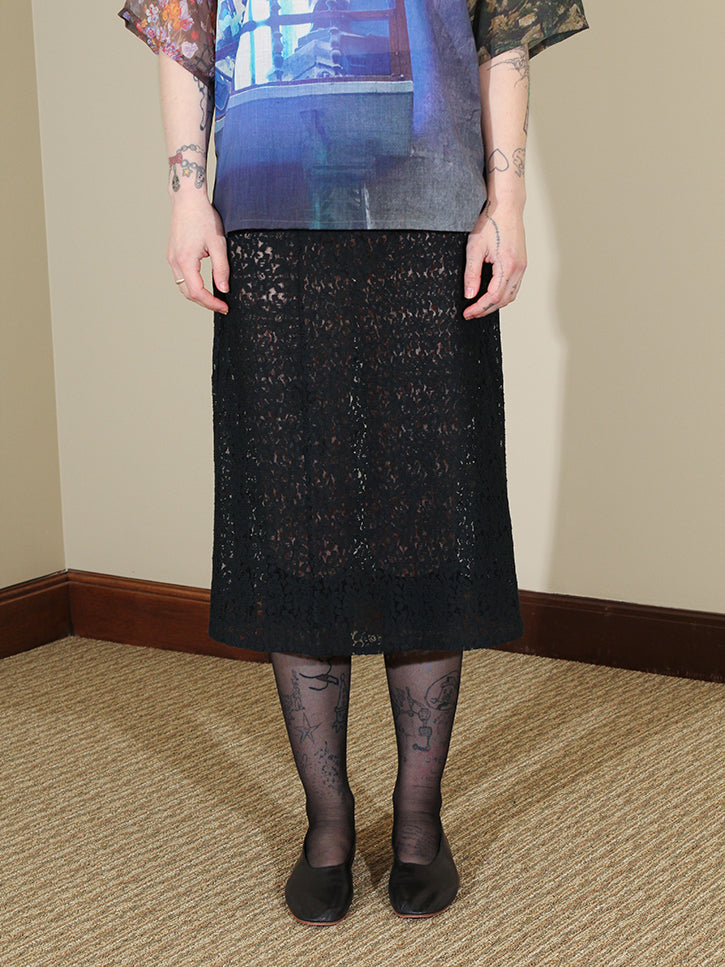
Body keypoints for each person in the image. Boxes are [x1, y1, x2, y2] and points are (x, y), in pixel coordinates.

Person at [119, 0, 588, 924]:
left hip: (430, 203)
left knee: (425, 510)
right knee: (298, 514)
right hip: (266, 205)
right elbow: (183, 22)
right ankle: (327, 822)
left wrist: (507, 202)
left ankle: (417, 819)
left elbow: (504, 27)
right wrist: (185, 192)